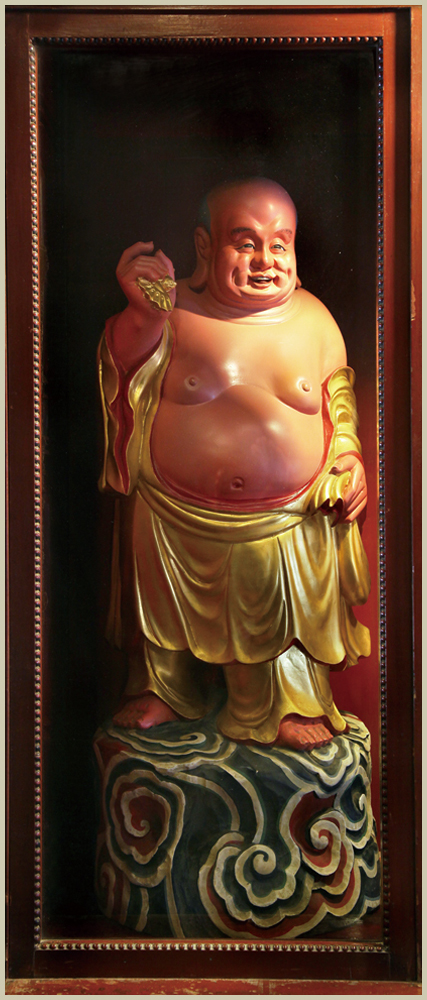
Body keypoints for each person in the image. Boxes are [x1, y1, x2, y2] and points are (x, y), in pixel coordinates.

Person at [98, 177, 370, 750]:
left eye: (280, 243)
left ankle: (283, 701)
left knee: (282, 617)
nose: (266, 260)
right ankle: (166, 688)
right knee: (162, 617)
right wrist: (142, 314)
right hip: (172, 514)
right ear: (204, 245)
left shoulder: (314, 320)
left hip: (286, 520)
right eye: (245, 243)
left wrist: (348, 460)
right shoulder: (173, 311)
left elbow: (339, 405)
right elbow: (124, 372)